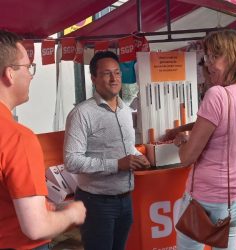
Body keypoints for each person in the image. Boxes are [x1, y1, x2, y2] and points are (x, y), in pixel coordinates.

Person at [173, 29, 236, 249]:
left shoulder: (217, 95)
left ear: (233, 56)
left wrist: (182, 142)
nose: (208, 64)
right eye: (208, 57)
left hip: (205, 200)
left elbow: (187, 158)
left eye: (215, 56)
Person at [0, 30, 86, 250]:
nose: (30, 75)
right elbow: (36, 227)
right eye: (28, 67)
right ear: (9, 74)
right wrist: (73, 213)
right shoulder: (17, 137)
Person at [64, 51, 150, 250]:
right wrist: (116, 164)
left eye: (117, 73)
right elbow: (71, 160)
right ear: (93, 78)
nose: (114, 79)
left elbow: (127, 149)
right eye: (106, 74)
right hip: (96, 203)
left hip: (125, 199)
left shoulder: (126, 111)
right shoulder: (81, 114)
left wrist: (139, 157)